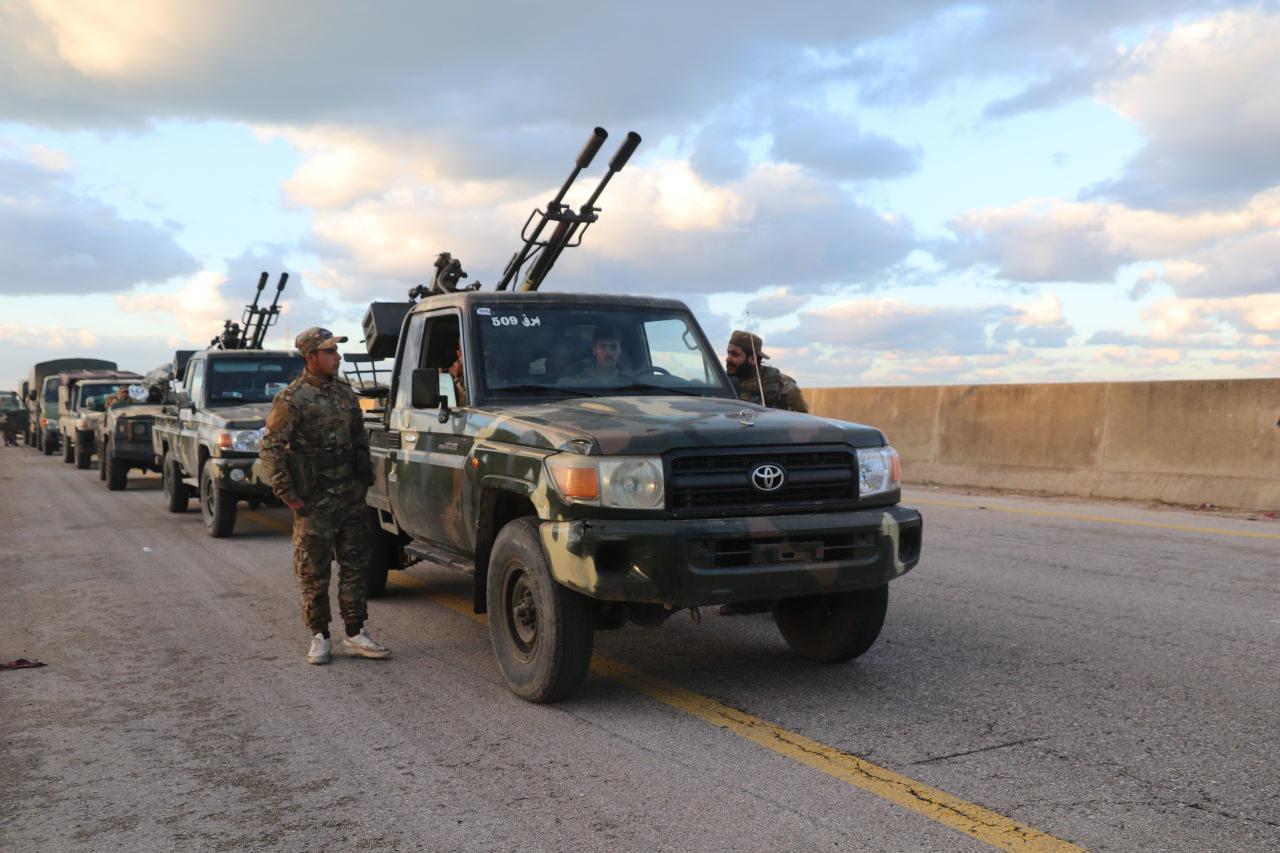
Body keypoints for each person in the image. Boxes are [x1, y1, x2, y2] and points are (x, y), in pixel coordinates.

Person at [260, 327, 390, 665]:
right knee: (313, 571)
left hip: (350, 494)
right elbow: (271, 448)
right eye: (330, 351)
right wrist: (288, 495)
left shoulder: (345, 392)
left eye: (336, 351)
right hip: (314, 498)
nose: (337, 357)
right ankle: (320, 636)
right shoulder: (292, 399)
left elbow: (359, 436)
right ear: (310, 357)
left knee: (356, 566)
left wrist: (364, 480)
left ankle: (355, 632)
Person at [725, 330, 808, 413]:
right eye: (728, 353)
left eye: (734, 354)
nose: (728, 359)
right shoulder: (722, 382)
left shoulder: (782, 386)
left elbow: (801, 421)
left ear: (753, 359)